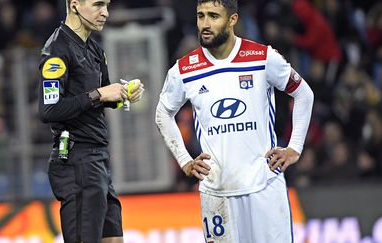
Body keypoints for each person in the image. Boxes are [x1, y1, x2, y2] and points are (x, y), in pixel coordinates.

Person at [155, 0, 314, 242]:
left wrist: (295, 148)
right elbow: (162, 113)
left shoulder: (262, 58)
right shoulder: (184, 70)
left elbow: (304, 93)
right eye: (200, 16)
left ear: (232, 20)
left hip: (264, 188)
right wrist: (185, 160)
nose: (205, 24)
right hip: (216, 192)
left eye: (213, 16)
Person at [38, 0, 144, 242]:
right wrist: (100, 94)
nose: (105, 12)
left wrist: (122, 93)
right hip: (76, 162)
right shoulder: (57, 50)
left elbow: (103, 97)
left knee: (114, 239)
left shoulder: (94, 49)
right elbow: (49, 110)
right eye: (98, 5)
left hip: (98, 161)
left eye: (107, 5)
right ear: (74, 5)